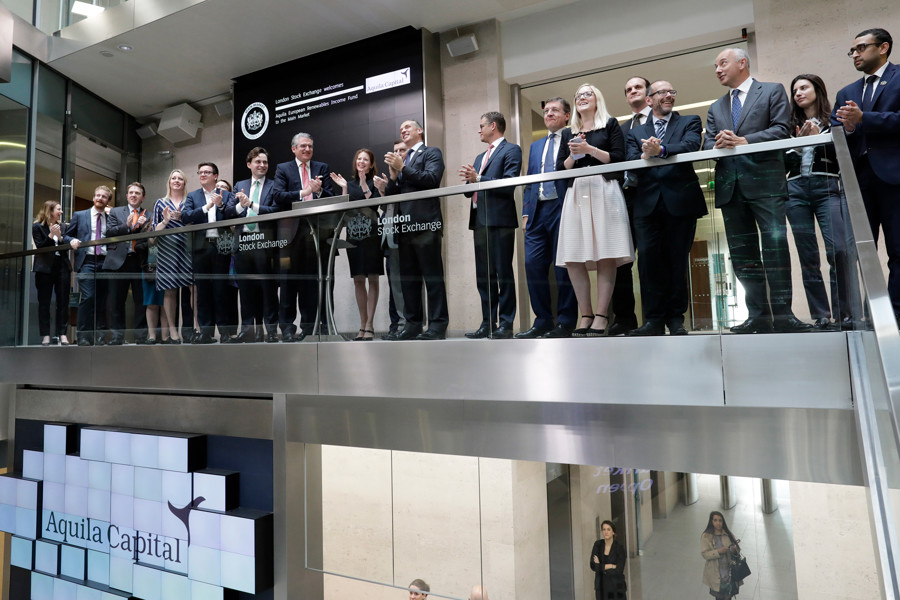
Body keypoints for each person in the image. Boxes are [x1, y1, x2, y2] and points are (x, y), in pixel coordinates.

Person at [704, 48, 810, 334]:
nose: (717, 70)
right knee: (743, 255)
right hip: (730, 189)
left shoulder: (772, 91)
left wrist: (743, 140)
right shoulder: (715, 107)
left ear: (742, 63)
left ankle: (784, 315)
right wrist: (718, 144)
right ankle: (758, 316)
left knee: (775, 248)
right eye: (715, 66)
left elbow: (782, 129)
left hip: (766, 183)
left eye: (722, 63)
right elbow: (706, 147)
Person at [625, 80, 707, 336]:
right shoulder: (635, 132)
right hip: (646, 204)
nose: (669, 95)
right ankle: (653, 320)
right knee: (648, 262)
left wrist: (660, 149)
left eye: (672, 91)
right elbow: (627, 160)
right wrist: (643, 155)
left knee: (676, 260)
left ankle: (676, 318)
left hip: (680, 201)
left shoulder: (689, 121)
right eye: (662, 92)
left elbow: (692, 145)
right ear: (649, 100)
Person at [833, 28, 900, 326]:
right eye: (852, 51)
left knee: (898, 251)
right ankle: (866, 314)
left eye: (861, 48)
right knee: (860, 252)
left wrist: (865, 119)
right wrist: (847, 129)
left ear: (883, 47)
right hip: (859, 180)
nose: (855, 54)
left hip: (895, 177)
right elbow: (840, 137)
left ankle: (895, 314)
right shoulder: (846, 93)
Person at [556, 83, 634, 337]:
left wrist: (590, 150)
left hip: (604, 189)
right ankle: (585, 313)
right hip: (577, 191)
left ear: (597, 99)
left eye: (587, 94)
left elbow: (620, 159)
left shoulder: (610, 124)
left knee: (605, 254)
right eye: (577, 95)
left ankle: (602, 315)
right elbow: (561, 169)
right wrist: (574, 156)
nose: (581, 98)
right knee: (573, 256)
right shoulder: (569, 132)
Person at [787, 74, 852, 330]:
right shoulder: (789, 126)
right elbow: (783, 163)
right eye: (795, 91)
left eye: (804, 87)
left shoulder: (833, 120)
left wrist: (816, 137)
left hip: (827, 186)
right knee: (807, 256)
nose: (798, 93)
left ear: (818, 90)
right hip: (795, 190)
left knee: (838, 250)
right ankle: (821, 314)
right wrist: (801, 143)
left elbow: (842, 156)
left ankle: (844, 312)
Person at [517, 97, 577, 339]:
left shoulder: (574, 137)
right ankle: (542, 320)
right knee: (532, 265)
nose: (549, 114)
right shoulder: (536, 145)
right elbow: (530, 180)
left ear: (566, 115)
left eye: (555, 110)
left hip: (563, 207)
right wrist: (525, 211)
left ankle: (565, 321)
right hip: (537, 211)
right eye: (546, 111)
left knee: (563, 266)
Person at [383, 119, 448, 340]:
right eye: (400, 128)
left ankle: (438, 325)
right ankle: (412, 325)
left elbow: (431, 179)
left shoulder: (431, 153)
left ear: (420, 131)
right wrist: (393, 178)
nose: (402, 130)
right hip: (404, 225)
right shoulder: (404, 159)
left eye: (407, 127)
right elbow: (394, 196)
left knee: (432, 277)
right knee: (409, 279)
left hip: (426, 223)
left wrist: (402, 168)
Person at [460, 111, 522, 339]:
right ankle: (487, 323)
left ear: (493, 126)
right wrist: (469, 180)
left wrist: (478, 178)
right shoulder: (479, 158)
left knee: (503, 273)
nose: (478, 130)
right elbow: (471, 192)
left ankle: (505, 324)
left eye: (481, 126)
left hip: (500, 220)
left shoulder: (512, 150)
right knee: (483, 276)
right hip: (479, 221)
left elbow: (508, 184)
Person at [272, 132, 335, 341]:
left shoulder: (321, 168)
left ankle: (308, 328)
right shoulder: (283, 169)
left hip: (315, 233)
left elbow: (331, 195)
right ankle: (287, 328)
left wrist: (317, 193)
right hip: (290, 235)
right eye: (303, 146)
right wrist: (304, 191)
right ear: (294, 149)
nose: (307, 149)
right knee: (288, 282)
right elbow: (278, 196)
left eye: (310, 146)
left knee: (310, 283)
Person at [608, 76, 652, 336]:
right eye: (628, 89)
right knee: (620, 261)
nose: (632, 91)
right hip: (623, 200)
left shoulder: (662, 121)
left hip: (652, 196)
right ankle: (624, 319)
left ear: (648, 94)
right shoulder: (621, 130)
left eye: (637, 87)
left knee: (650, 261)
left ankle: (653, 318)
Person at [330, 148, 383, 341]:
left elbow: (373, 203)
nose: (361, 162)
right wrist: (344, 188)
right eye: (359, 159)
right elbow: (345, 207)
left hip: (372, 232)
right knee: (358, 279)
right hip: (354, 233)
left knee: (373, 278)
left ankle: (370, 325)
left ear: (371, 164)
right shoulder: (349, 183)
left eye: (365, 159)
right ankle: (362, 324)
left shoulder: (375, 182)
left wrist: (363, 182)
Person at [228, 146, 280, 343]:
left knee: (268, 289)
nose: (262, 165)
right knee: (247, 290)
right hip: (243, 243)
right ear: (249, 164)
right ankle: (248, 330)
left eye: (265, 162)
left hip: (264, 244)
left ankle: (271, 330)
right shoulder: (240, 185)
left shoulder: (274, 185)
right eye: (258, 161)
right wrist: (242, 204)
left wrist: (251, 205)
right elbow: (231, 213)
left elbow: (275, 210)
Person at [182, 162, 237, 344]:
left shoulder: (227, 195)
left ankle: (225, 332)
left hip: (221, 247)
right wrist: (207, 207)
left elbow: (233, 216)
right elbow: (186, 216)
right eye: (200, 172)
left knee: (221, 291)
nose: (203, 175)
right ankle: (205, 332)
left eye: (207, 172)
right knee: (203, 291)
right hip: (200, 248)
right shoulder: (193, 196)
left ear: (216, 176)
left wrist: (220, 206)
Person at [104, 182, 150, 344]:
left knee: (141, 301)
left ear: (143, 197)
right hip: (118, 262)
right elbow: (109, 233)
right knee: (116, 301)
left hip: (139, 261)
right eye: (131, 192)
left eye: (137, 193)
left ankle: (140, 336)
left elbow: (149, 241)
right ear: (126, 195)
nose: (133, 195)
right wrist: (127, 226)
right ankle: (117, 336)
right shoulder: (116, 212)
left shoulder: (148, 215)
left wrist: (140, 228)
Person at [66, 185, 112, 346]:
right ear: (93, 198)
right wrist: (70, 240)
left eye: (104, 196)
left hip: (105, 262)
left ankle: (99, 335)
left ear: (108, 201)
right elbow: (67, 234)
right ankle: (83, 335)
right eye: (97, 195)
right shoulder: (80, 215)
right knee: (88, 297)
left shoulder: (110, 218)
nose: (100, 198)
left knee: (101, 299)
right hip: (86, 261)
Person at [152, 169, 193, 344]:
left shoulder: (189, 201)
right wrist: (166, 221)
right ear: (169, 182)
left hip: (188, 248)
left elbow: (196, 222)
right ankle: (173, 331)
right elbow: (154, 233)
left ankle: (197, 327)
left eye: (180, 179)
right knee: (170, 290)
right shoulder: (160, 203)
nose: (176, 181)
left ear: (184, 183)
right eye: (173, 178)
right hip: (166, 250)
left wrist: (183, 218)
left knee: (194, 287)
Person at [32, 200, 79, 346]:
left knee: (63, 301)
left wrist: (59, 236)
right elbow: (40, 247)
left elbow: (66, 247)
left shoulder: (65, 227)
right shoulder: (37, 227)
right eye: (58, 209)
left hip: (62, 267)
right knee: (44, 302)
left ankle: (62, 334)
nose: (61, 212)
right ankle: (46, 334)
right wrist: (51, 235)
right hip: (44, 269)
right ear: (50, 211)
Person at [376, 140, 407, 339]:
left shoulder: (410, 174)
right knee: (394, 284)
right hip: (389, 237)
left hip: (407, 235)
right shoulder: (392, 177)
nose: (397, 154)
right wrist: (383, 192)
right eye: (395, 151)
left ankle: (406, 324)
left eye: (402, 150)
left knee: (405, 284)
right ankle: (396, 324)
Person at [701, 511, 742, 599]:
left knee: (728, 596)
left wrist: (734, 550)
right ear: (711, 521)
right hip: (716, 573)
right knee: (719, 597)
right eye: (715, 520)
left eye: (720, 520)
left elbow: (738, 550)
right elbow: (705, 554)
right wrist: (718, 551)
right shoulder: (706, 536)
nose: (718, 523)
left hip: (729, 572)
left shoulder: (728, 534)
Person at [590, 519, 627, 600]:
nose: (606, 532)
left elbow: (619, 570)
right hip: (601, 587)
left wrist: (600, 566)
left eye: (608, 529)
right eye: (604, 529)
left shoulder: (619, 548)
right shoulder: (598, 545)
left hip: (616, 586)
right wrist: (611, 566)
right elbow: (593, 566)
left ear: (613, 532)